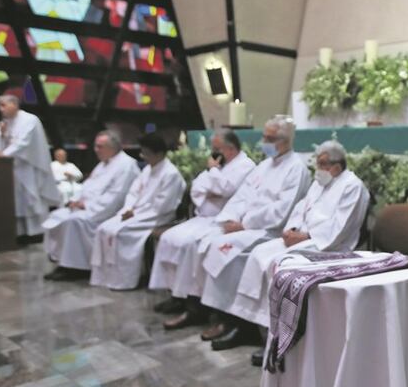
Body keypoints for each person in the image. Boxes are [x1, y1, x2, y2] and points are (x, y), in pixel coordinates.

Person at [163, 117, 310, 348]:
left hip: (267, 230)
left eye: (268, 139)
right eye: (264, 137)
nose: (263, 142)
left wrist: (245, 223)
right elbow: (242, 196)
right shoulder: (264, 166)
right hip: (244, 226)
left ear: (284, 141)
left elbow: (283, 209)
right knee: (201, 241)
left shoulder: (296, 169)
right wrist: (231, 218)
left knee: (221, 251)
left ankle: (235, 323)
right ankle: (202, 309)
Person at [219, 140, 370, 353]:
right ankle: (251, 325)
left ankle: (282, 333)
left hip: (328, 246)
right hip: (304, 238)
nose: (319, 169)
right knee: (258, 253)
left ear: (337, 165)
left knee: (276, 264)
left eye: (323, 164)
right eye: (318, 163)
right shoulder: (320, 183)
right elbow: (301, 209)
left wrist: (305, 236)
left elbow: (340, 227)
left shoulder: (352, 186)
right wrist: (291, 229)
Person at [148, 128, 255, 314]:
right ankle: (175, 294)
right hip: (203, 217)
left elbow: (226, 189)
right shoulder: (222, 165)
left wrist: (213, 176)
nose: (213, 153)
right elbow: (198, 187)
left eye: (217, 148)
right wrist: (211, 187)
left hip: (219, 220)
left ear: (229, 149)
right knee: (169, 238)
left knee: (190, 244)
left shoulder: (246, 166)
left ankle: (192, 302)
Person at [89, 133, 185, 291]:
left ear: (159, 154)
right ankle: (106, 277)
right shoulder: (148, 169)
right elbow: (133, 193)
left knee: (120, 232)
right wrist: (128, 209)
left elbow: (163, 206)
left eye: (146, 153)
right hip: (135, 212)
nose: (143, 157)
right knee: (103, 228)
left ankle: (125, 280)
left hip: (156, 217)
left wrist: (136, 213)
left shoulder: (171, 174)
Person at [42, 131, 139, 281]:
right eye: (95, 146)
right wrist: (75, 200)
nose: (96, 149)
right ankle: (61, 260)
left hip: (105, 212)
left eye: (100, 146)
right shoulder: (103, 164)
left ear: (112, 147)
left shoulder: (126, 165)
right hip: (87, 206)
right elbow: (87, 185)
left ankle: (74, 268)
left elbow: (116, 197)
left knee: (74, 221)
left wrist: (86, 205)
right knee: (57, 215)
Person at [0, 95, 60, 242]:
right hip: (11, 169)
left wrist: (4, 154)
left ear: (14, 104)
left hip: (28, 166)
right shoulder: (5, 123)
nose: (1, 109)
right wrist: (2, 135)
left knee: (31, 198)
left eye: (4, 105)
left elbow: (23, 143)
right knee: (17, 202)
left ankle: (37, 233)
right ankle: (20, 233)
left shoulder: (29, 120)